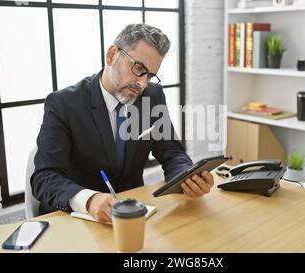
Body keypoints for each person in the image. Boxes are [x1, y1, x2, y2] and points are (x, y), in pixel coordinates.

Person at [31, 23, 214, 222]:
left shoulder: (151, 97)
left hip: (134, 216)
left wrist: (186, 178)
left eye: (150, 76)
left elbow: (171, 151)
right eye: (139, 68)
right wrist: (89, 200)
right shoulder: (64, 104)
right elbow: (45, 177)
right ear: (112, 55)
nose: (143, 84)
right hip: (79, 220)